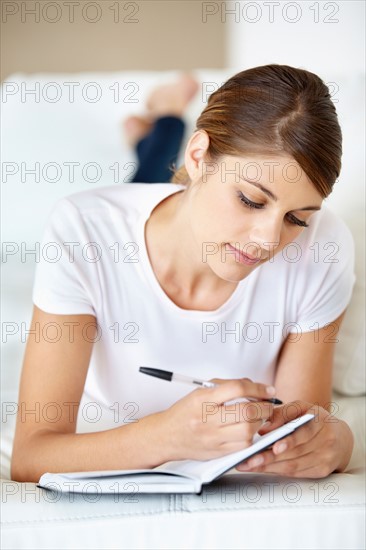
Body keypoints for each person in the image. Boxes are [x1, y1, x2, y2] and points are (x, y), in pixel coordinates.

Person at [11, 64, 356, 483]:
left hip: (186, 199)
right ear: (199, 156)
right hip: (156, 208)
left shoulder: (323, 246)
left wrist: (336, 443)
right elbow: (30, 456)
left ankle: (148, 136)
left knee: (157, 177)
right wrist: (165, 438)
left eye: (296, 219)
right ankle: (167, 114)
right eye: (250, 200)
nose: (267, 241)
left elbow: (296, 434)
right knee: (147, 179)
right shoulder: (84, 229)